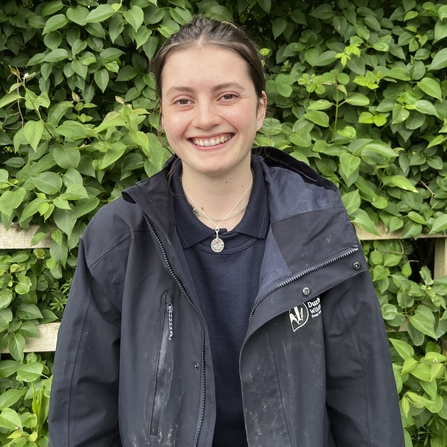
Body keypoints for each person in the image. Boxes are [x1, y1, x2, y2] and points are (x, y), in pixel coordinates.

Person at [48, 16, 405, 447]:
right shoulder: (119, 237)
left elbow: (365, 400)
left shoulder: (316, 227)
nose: (205, 118)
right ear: (162, 115)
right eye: (182, 100)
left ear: (259, 108)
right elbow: (81, 410)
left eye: (228, 95)